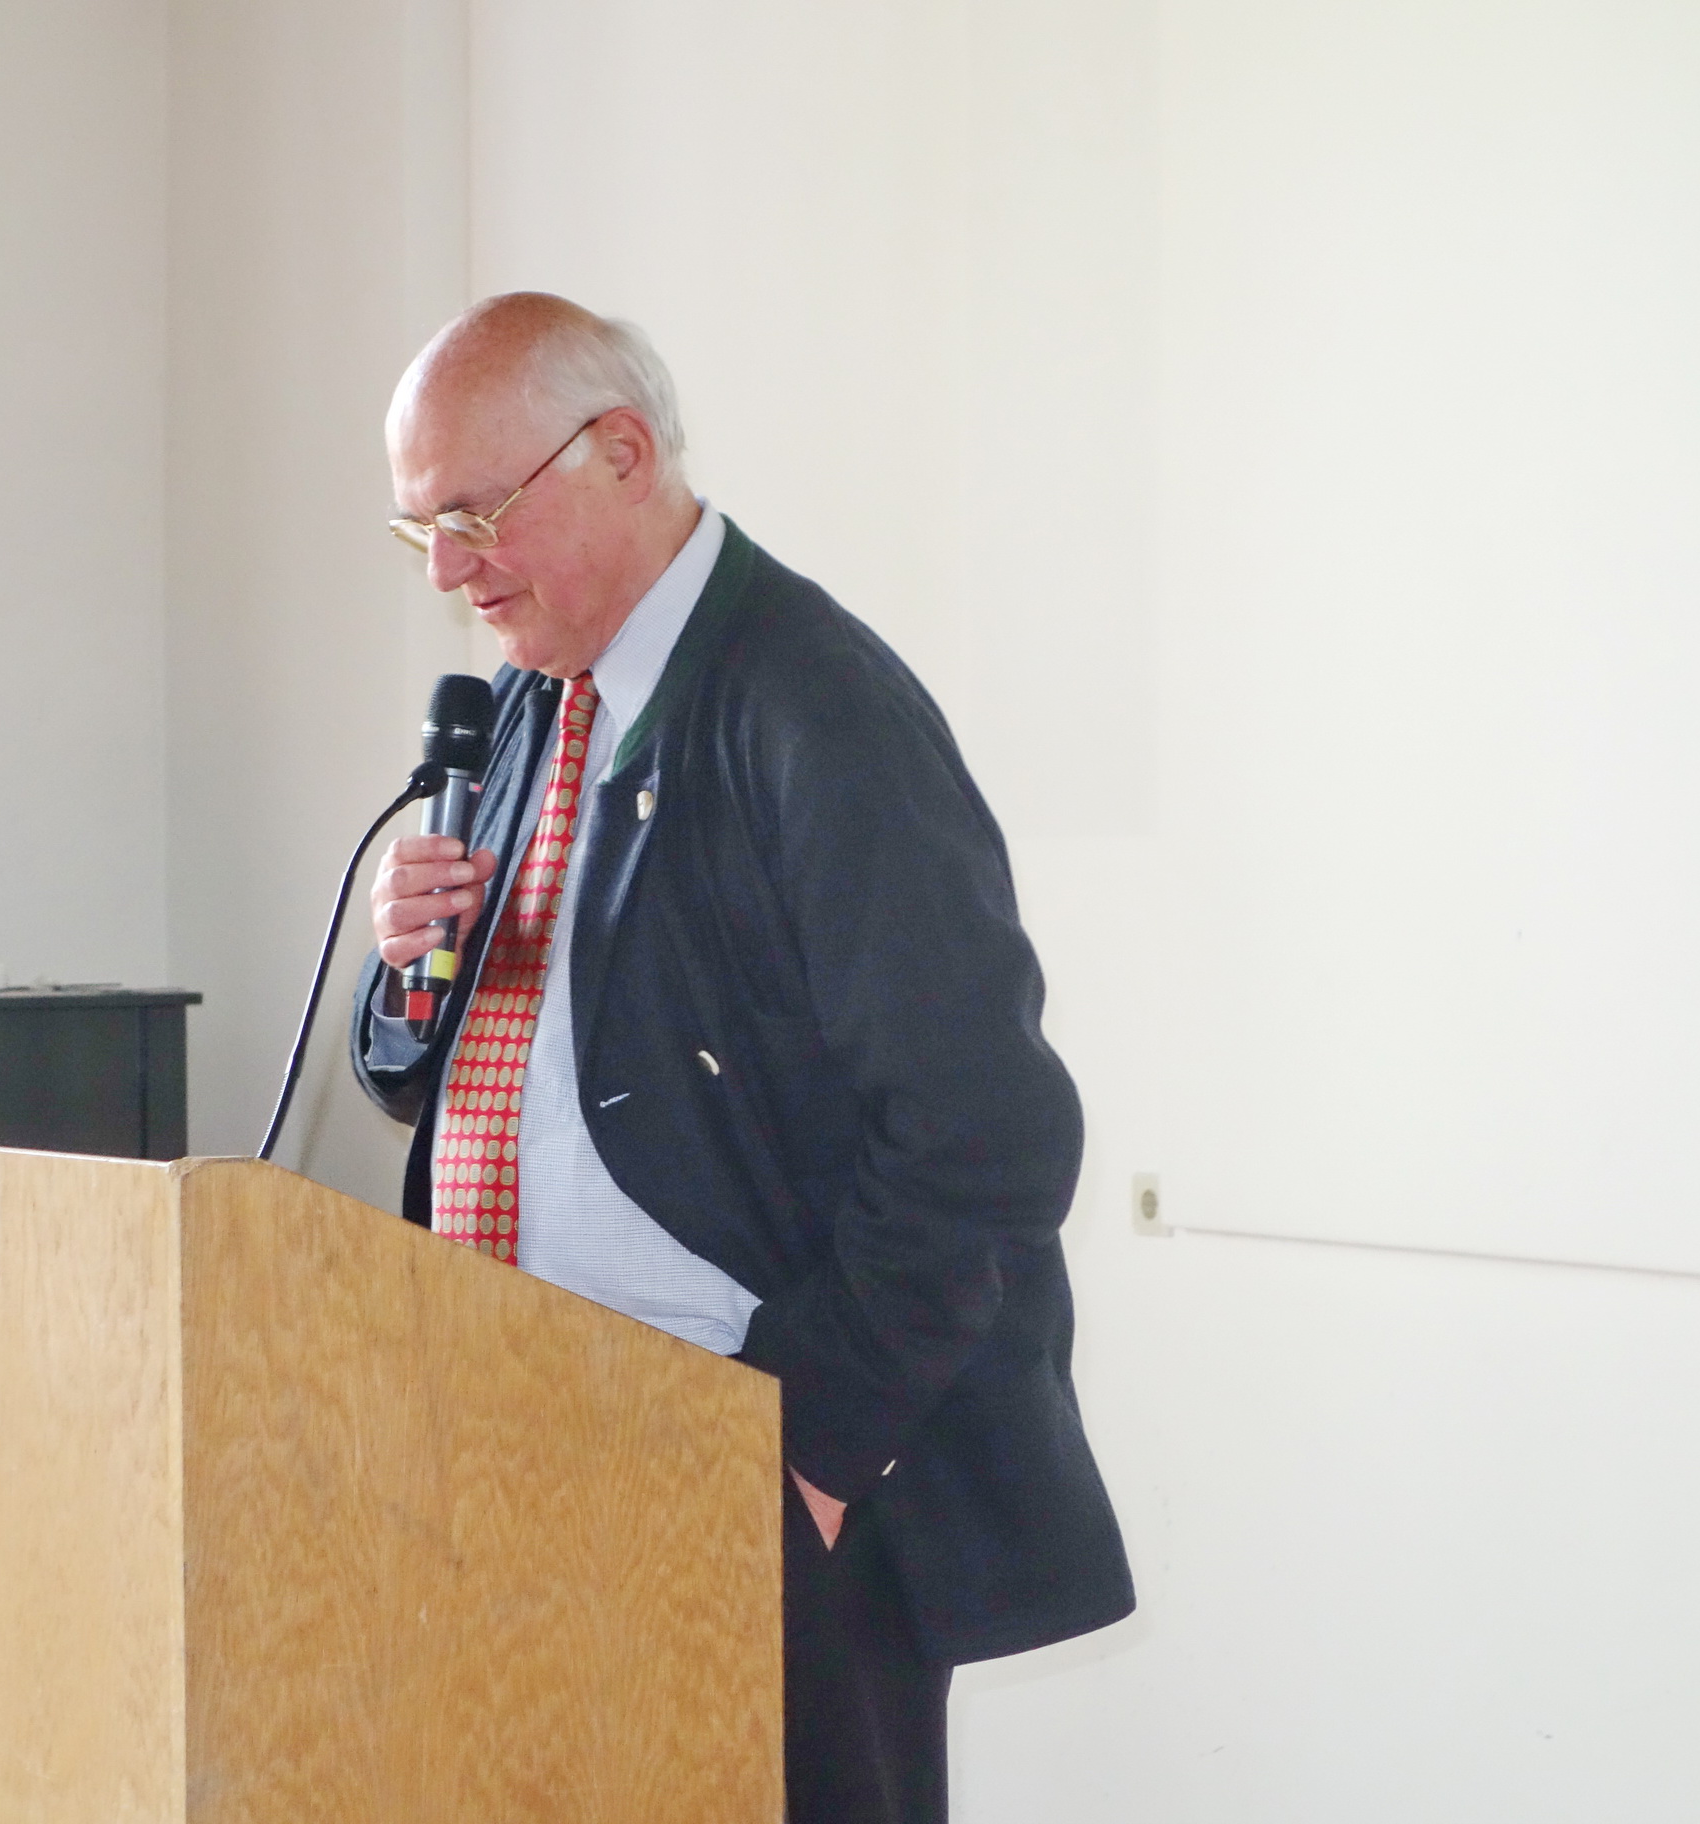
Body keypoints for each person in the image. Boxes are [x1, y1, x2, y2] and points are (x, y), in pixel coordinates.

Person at [349, 292, 1132, 1823]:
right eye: (421, 529)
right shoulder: (526, 708)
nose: (449, 570)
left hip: (744, 1450)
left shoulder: (813, 704)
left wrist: (807, 1454)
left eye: (476, 515)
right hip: (515, 1431)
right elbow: (458, 1079)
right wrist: (405, 971)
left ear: (623, 453)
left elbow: (985, 1132)